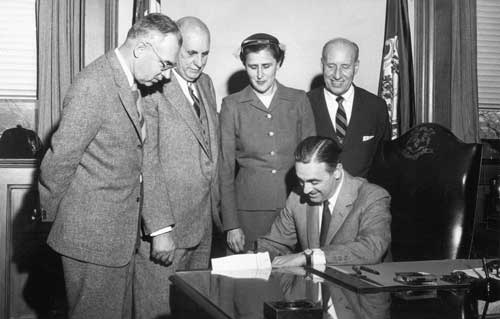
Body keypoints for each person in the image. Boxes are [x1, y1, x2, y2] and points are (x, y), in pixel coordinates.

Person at [38, 13, 180, 319]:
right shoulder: (95, 84)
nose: (167, 75)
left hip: (116, 240)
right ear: (141, 48)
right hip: (90, 239)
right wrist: (54, 221)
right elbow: (59, 160)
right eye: (165, 64)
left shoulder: (132, 85)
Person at [135, 16, 221, 318]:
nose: (199, 63)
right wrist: (159, 228)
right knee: (155, 311)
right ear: (175, 48)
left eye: (205, 54)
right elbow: (148, 160)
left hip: (203, 227)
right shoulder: (152, 85)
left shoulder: (207, 85)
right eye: (190, 54)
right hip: (166, 230)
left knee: (193, 311)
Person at [219, 33, 316, 253]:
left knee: (296, 281)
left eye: (267, 65)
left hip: (295, 208)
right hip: (248, 214)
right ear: (244, 65)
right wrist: (231, 224)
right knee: (249, 284)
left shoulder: (299, 100)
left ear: (279, 63)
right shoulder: (232, 105)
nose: (260, 74)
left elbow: (313, 161)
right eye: (253, 67)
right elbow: (224, 169)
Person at [257, 136, 391, 267]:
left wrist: (309, 257)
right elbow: (275, 243)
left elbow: (372, 248)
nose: (306, 190)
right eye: (301, 181)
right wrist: (256, 259)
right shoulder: (296, 198)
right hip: (316, 285)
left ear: (337, 172)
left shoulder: (373, 196)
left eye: (314, 181)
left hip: (363, 284)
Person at [307, 38, 391, 178]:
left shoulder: (376, 107)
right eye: (331, 66)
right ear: (322, 65)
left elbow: (384, 163)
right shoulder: (304, 104)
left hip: (364, 196)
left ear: (356, 67)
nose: (337, 75)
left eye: (345, 66)